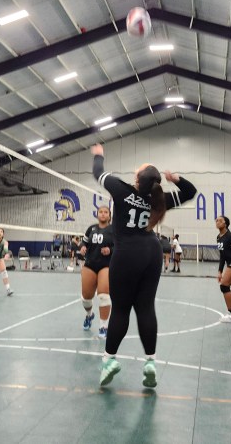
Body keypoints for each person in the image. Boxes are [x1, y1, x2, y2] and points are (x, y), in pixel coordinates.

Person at [91, 144, 196, 387]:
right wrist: (175, 179)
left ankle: (109, 360)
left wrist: (99, 155)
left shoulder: (120, 189)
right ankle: (150, 363)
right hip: (152, 252)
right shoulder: (160, 199)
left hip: (127, 253)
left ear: (137, 179)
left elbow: (98, 173)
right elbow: (190, 192)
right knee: (146, 308)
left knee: (120, 310)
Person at [79, 205, 114, 338]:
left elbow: (120, 246)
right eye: (101, 212)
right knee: (86, 298)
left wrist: (110, 250)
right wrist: (82, 247)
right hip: (90, 264)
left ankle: (103, 326)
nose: (103, 214)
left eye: (106, 212)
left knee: (104, 296)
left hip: (106, 265)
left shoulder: (114, 230)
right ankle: (89, 315)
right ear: (97, 214)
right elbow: (83, 243)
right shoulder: (91, 229)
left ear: (109, 216)